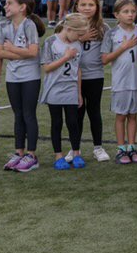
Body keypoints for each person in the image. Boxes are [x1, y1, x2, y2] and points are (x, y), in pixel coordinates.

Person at [0, 0, 44, 172]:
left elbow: (33, 52)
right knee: (18, 115)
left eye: (9, 3)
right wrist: (17, 52)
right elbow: (0, 53)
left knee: (28, 114)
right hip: (12, 77)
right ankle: (19, 152)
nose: (5, 6)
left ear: (22, 7)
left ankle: (31, 155)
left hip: (30, 77)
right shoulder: (3, 25)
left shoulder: (29, 24)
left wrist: (12, 49)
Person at [39, 13, 89, 170]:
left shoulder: (77, 44)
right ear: (68, 28)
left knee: (73, 122)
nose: (79, 37)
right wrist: (65, 57)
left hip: (71, 89)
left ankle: (76, 153)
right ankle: (58, 156)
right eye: (78, 34)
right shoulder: (51, 42)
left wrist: (79, 92)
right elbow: (47, 67)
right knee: (57, 123)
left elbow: (77, 69)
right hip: (54, 88)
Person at [101, 0, 137, 164]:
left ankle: (132, 146)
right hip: (121, 82)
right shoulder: (111, 33)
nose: (130, 15)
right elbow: (104, 59)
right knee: (121, 116)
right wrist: (123, 47)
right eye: (126, 12)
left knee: (133, 115)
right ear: (116, 15)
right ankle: (121, 148)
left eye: (133, 11)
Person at [72, 0, 110, 162]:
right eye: (83, 5)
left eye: (91, 5)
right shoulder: (67, 25)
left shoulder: (103, 27)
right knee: (76, 113)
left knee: (94, 111)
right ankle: (75, 149)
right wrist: (80, 38)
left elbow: (106, 55)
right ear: (76, 6)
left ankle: (98, 147)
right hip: (72, 76)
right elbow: (60, 47)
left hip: (94, 75)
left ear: (97, 7)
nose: (87, 8)